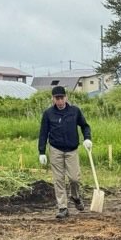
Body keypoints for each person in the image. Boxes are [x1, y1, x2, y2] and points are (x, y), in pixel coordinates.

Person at [38, 85, 93, 219]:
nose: (60, 101)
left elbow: (85, 126)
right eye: (57, 98)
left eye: (61, 98)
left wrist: (87, 138)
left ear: (66, 97)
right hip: (55, 149)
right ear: (53, 99)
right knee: (59, 179)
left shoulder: (75, 111)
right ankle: (63, 207)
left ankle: (75, 196)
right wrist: (42, 152)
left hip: (72, 150)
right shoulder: (48, 114)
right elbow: (43, 133)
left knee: (74, 178)